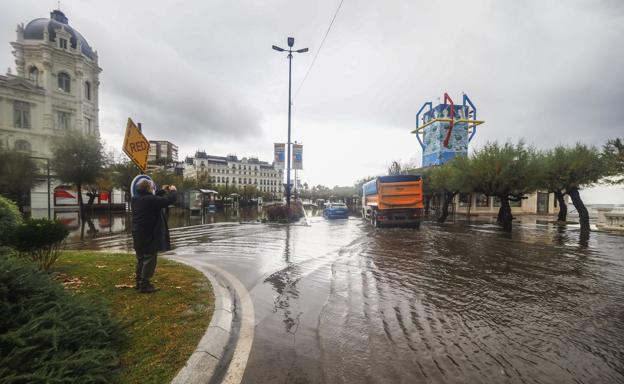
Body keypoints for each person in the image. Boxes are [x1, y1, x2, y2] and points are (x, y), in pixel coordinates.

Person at [131, 179, 177, 293]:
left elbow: (152, 198)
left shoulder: (135, 199)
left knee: (141, 259)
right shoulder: (150, 200)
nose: (153, 188)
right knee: (149, 259)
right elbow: (169, 201)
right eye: (152, 187)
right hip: (149, 234)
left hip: (138, 233)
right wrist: (173, 191)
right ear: (148, 188)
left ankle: (139, 282)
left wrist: (161, 190)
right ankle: (145, 285)